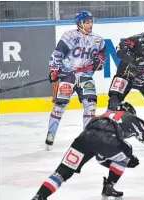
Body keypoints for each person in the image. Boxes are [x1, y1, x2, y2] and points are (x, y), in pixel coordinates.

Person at [16, 102, 144, 200]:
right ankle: (109, 188)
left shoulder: (102, 115)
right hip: (107, 142)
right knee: (127, 153)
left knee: (62, 172)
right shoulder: (131, 118)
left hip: (83, 139)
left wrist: (106, 159)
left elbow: (96, 148)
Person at [45, 10, 106, 150]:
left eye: (91, 21)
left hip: (85, 76)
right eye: (87, 22)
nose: (91, 24)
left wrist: (99, 60)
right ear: (80, 24)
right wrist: (54, 70)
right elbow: (57, 55)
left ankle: (88, 137)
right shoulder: (69, 36)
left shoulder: (98, 39)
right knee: (60, 106)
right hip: (68, 74)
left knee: (90, 105)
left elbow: (102, 54)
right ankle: (51, 133)